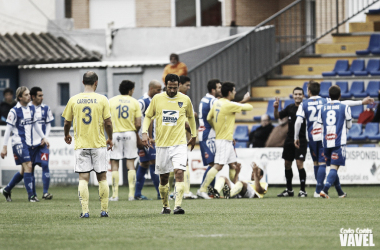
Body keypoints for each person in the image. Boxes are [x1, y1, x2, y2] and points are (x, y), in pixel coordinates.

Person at [294, 81, 373, 197]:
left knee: (317, 163)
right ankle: (319, 190)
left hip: (312, 137)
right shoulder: (325, 101)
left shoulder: (304, 104)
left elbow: (298, 121)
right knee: (326, 165)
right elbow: (342, 104)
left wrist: (296, 137)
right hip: (325, 136)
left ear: (309, 91)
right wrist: (361, 102)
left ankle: (337, 191)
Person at [141, 73, 197, 214]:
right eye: (170, 87)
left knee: (179, 172)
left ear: (179, 86)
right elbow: (148, 116)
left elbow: (190, 117)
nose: (172, 90)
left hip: (179, 143)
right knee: (164, 177)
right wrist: (144, 133)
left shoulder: (185, 99)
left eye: (175, 88)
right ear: (166, 85)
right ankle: (165, 206)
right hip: (162, 145)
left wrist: (194, 135)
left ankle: (177, 206)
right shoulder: (157, 98)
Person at [62, 71, 113, 218]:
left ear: (83, 82)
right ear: (96, 82)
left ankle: (85, 211)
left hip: (81, 144)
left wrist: (66, 134)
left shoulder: (74, 99)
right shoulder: (102, 99)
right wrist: (110, 138)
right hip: (98, 144)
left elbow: (67, 121)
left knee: (83, 178)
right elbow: (108, 122)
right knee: (102, 177)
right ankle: (104, 211)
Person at [197, 82, 253, 199]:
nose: (235, 92)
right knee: (218, 166)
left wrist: (217, 128)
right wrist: (245, 99)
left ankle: (234, 191)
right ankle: (202, 189)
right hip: (223, 140)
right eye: (234, 90)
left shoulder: (217, 102)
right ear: (229, 92)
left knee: (233, 165)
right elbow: (249, 107)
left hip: (224, 138)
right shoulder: (228, 104)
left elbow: (209, 118)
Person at [0, 86, 49, 202]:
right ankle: (31, 196)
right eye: (26, 95)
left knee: (23, 171)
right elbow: (8, 130)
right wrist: (4, 147)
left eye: (29, 94)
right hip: (18, 143)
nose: (29, 96)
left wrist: (44, 137)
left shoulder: (31, 109)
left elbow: (36, 125)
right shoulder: (14, 111)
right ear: (20, 97)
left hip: (28, 143)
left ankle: (7, 190)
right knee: (29, 166)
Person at [108, 80, 142, 201]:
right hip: (130, 134)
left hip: (115, 134)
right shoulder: (134, 102)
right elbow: (138, 123)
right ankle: (131, 195)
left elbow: (107, 120)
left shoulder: (111, 101)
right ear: (130, 90)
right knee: (130, 163)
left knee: (114, 163)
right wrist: (135, 133)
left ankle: (115, 195)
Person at [317, 85, 351, 199]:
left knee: (332, 167)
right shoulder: (344, 107)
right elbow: (349, 125)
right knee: (334, 168)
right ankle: (325, 190)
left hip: (326, 141)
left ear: (329, 96)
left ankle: (340, 193)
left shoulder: (322, 108)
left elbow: (320, 124)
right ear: (340, 95)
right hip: (338, 141)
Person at [274, 87, 308, 197]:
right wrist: (276, 108)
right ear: (293, 96)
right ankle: (289, 190)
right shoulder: (290, 108)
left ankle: (303, 190)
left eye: (300, 94)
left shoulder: (306, 108)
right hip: (289, 140)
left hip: (301, 139)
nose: (298, 96)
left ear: (303, 96)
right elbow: (277, 116)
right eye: (296, 94)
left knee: (299, 164)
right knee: (287, 164)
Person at [135, 80, 162, 200]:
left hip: (144, 138)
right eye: (158, 90)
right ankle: (160, 193)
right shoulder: (143, 101)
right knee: (154, 163)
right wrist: (146, 136)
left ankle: (137, 194)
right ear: (151, 89)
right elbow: (143, 119)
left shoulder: (151, 101)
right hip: (146, 139)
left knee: (144, 163)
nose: (160, 92)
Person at [29, 87, 54, 200]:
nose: (42, 98)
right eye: (39, 95)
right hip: (31, 144)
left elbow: (48, 124)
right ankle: (33, 194)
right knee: (30, 168)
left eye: (42, 95)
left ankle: (45, 193)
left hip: (43, 144)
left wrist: (45, 138)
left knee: (45, 165)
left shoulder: (46, 108)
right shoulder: (27, 108)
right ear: (33, 96)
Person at [198, 79, 222, 195]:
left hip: (204, 133)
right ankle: (204, 190)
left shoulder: (204, 99)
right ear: (213, 90)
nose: (220, 90)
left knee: (213, 163)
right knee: (213, 164)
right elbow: (216, 118)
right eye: (218, 88)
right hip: (209, 134)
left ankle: (210, 191)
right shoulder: (213, 101)